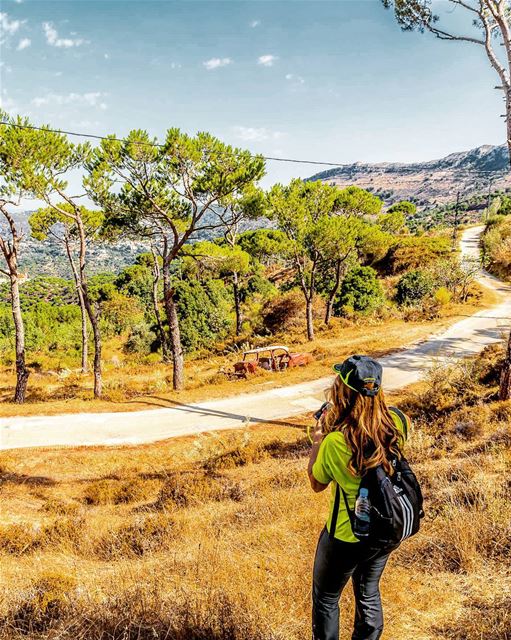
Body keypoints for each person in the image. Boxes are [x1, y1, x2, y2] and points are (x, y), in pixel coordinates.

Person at [308, 355, 411, 640]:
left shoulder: (335, 443)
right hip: (384, 530)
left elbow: (317, 482)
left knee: (327, 599)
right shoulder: (395, 428)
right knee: (368, 592)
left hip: (345, 535)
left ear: (341, 393)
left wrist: (318, 440)